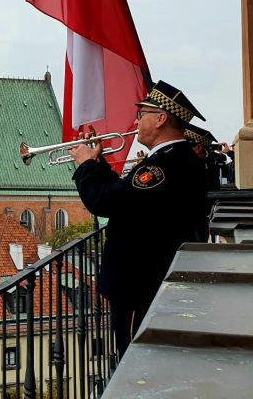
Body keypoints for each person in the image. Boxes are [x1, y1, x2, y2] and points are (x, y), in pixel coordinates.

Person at [67, 80, 207, 360]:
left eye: (142, 113)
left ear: (160, 119)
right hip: (149, 277)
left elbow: (104, 202)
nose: (136, 120)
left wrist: (85, 166)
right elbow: (127, 198)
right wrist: (98, 163)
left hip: (138, 283)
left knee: (135, 358)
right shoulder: (173, 159)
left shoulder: (162, 166)